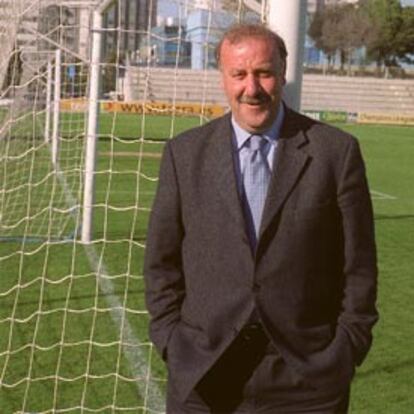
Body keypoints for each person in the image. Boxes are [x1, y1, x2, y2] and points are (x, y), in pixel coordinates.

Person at [144, 23, 378, 414]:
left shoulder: (336, 153)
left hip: (307, 380)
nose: (251, 88)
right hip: (205, 372)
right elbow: (160, 264)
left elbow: (359, 267)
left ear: (283, 73)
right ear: (223, 78)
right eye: (239, 74)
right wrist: (172, 341)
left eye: (263, 73)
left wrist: (347, 348)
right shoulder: (184, 155)